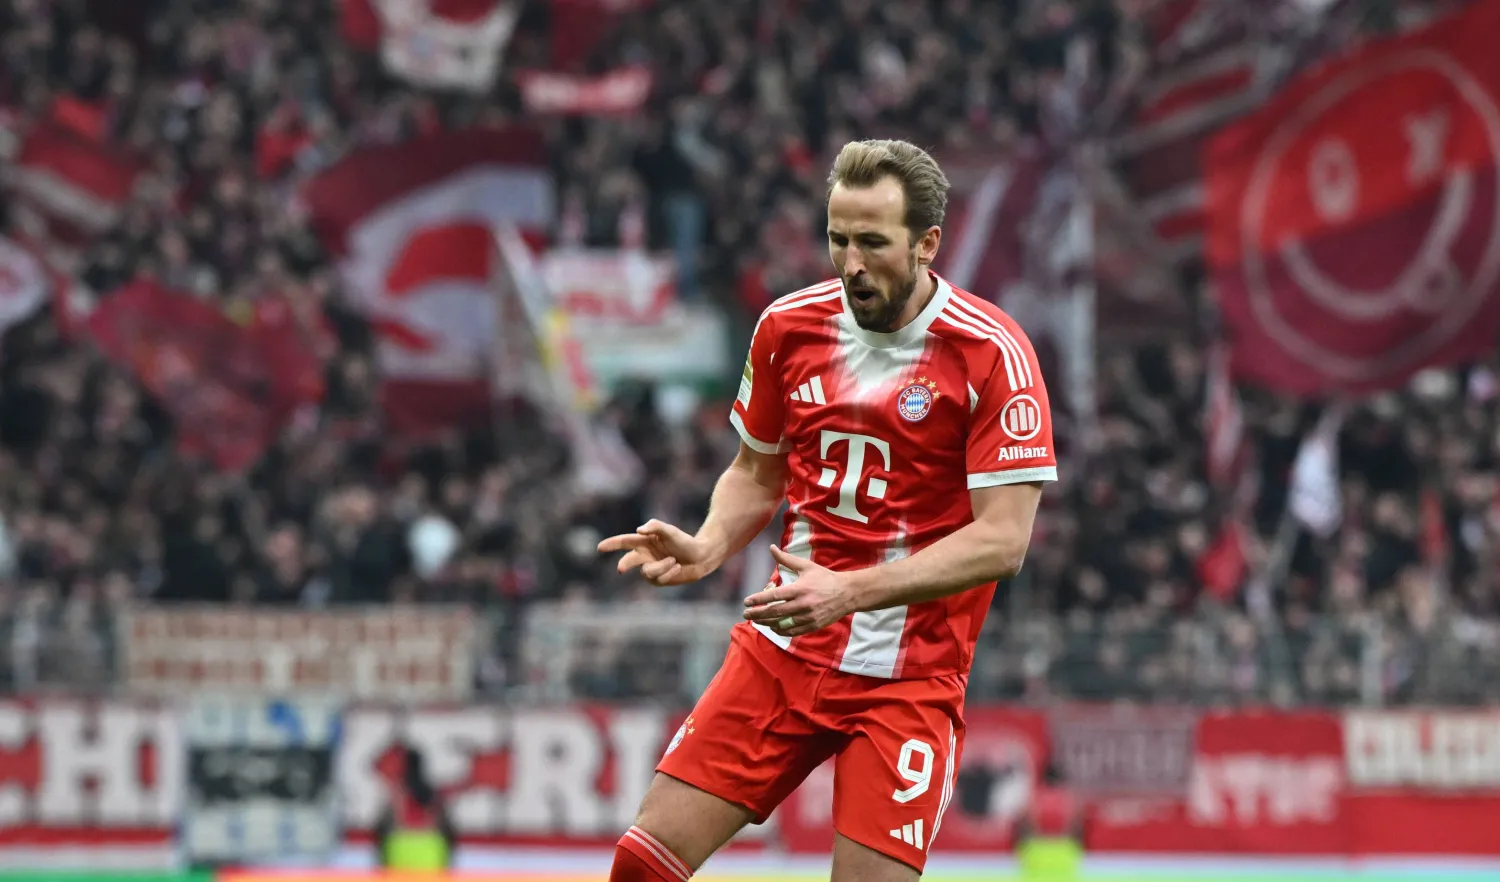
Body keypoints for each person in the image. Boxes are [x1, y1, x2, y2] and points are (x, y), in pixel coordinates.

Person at [598, 139, 1056, 882]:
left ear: (926, 243)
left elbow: (1004, 541)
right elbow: (755, 471)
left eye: (873, 243)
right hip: (781, 654)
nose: (850, 263)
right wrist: (711, 544)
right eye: (838, 239)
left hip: (909, 680)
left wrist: (849, 591)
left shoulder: (991, 354)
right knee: (640, 866)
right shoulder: (788, 328)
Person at [374, 746, 456, 871]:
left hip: (400, 848)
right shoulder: (433, 793)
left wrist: (381, 861)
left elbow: (382, 827)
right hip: (431, 848)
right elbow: (448, 829)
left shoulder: (399, 791)